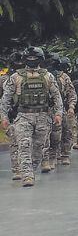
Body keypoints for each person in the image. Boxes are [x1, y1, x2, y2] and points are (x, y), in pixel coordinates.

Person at [0, 47, 63, 187]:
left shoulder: (48, 76)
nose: (32, 61)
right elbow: (5, 99)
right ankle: (27, 176)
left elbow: (57, 96)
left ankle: (31, 170)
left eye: (35, 58)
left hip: (43, 117)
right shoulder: (16, 77)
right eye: (30, 58)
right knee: (24, 145)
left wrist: (58, 114)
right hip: (23, 116)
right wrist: (3, 117)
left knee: (39, 148)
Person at [50, 56, 77, 165]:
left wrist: (71, 106)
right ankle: (52, 156)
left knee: (67, 131)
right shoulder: (44, 76)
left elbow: (71, 93)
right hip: (47, 109)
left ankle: (65, 154)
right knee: (51, 134)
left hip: (62, 108)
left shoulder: (64, 77)